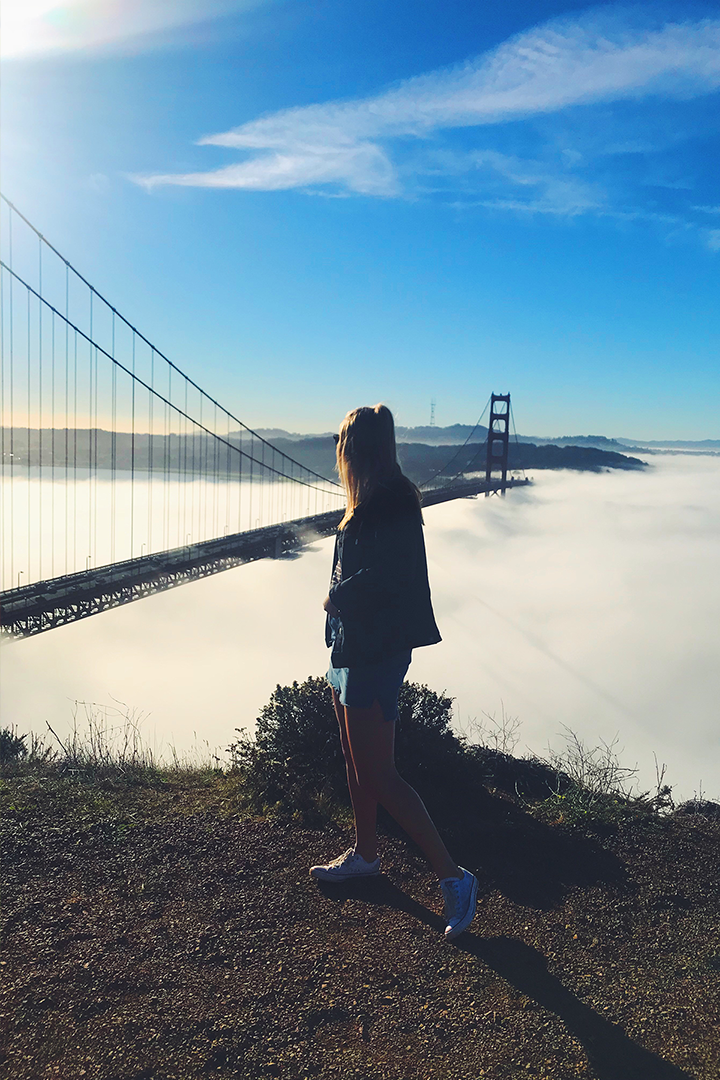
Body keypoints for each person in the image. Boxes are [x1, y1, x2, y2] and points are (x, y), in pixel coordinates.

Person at [309, 404, 478, 940]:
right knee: (357, 765)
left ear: (356, 450)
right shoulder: (371, 502)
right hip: (349, 648)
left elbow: (390, 576)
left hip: (375, 650)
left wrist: (338, 596)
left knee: (380, 773)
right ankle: (365, 854)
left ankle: (455, 879)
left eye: (345, 447)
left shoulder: (393, 502)